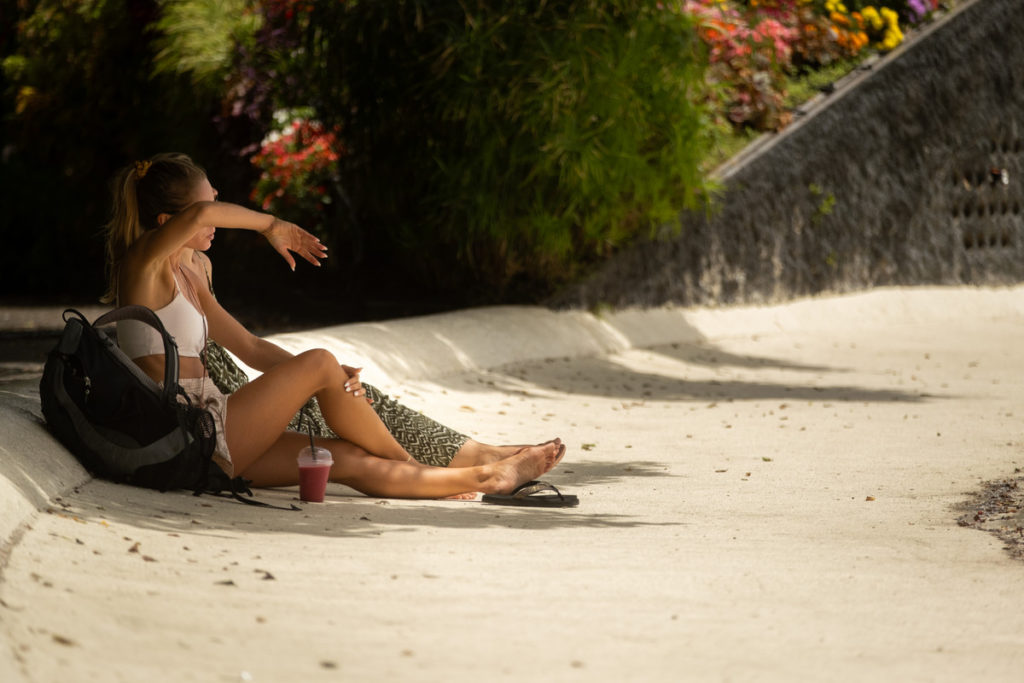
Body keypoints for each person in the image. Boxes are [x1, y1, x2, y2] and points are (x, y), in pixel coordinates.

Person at [102, 153, 565, 499]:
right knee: (321, 362)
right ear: (168, 223)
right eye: (211, 205)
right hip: (187, 430)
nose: (218, 212)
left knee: (344, 459)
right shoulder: (140, 266)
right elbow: (200, 216)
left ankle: (487, 478)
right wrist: (272, 225)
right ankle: (408, 461)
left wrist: (327, 378)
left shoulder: (192, 270)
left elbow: (248, 345)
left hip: (217, 432)